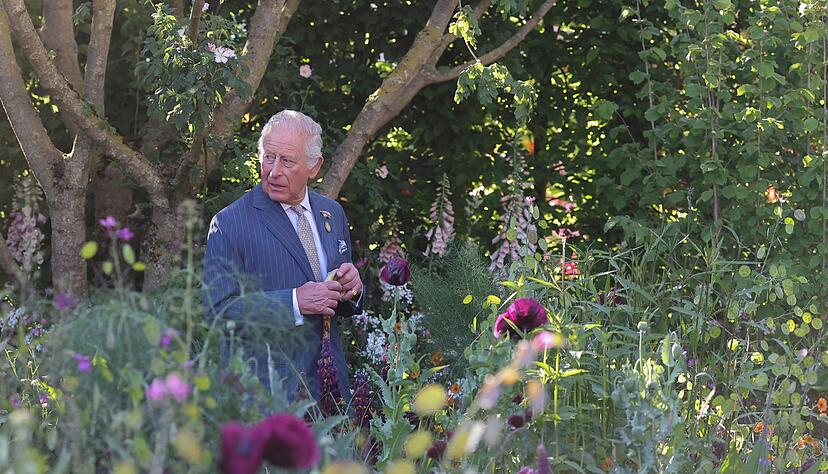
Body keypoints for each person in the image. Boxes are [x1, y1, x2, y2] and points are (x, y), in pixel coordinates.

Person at [202, 110, 363, 404]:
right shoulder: (230, 223)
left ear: (314, 167)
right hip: (267, 398)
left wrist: (353, 288)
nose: (274, 171)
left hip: (331, 392)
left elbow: (338, 295)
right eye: (268, 157)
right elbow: (217, 313)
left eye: (287, 161)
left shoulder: (333, 213)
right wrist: (294, 303)